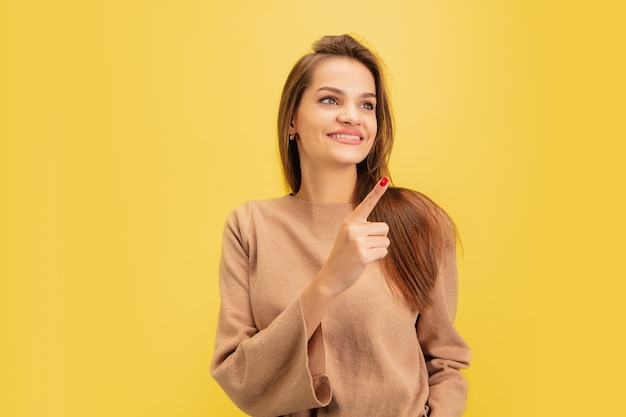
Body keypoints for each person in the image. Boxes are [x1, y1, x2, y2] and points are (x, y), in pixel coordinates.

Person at [211, 34, 471, 417]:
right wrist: (330, 280)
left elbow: (445, 362)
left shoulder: (419, 223)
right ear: (292, 121)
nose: (352, 115)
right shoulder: (250, 226)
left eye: (367, 105)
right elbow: (241, 379)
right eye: (330, 99)